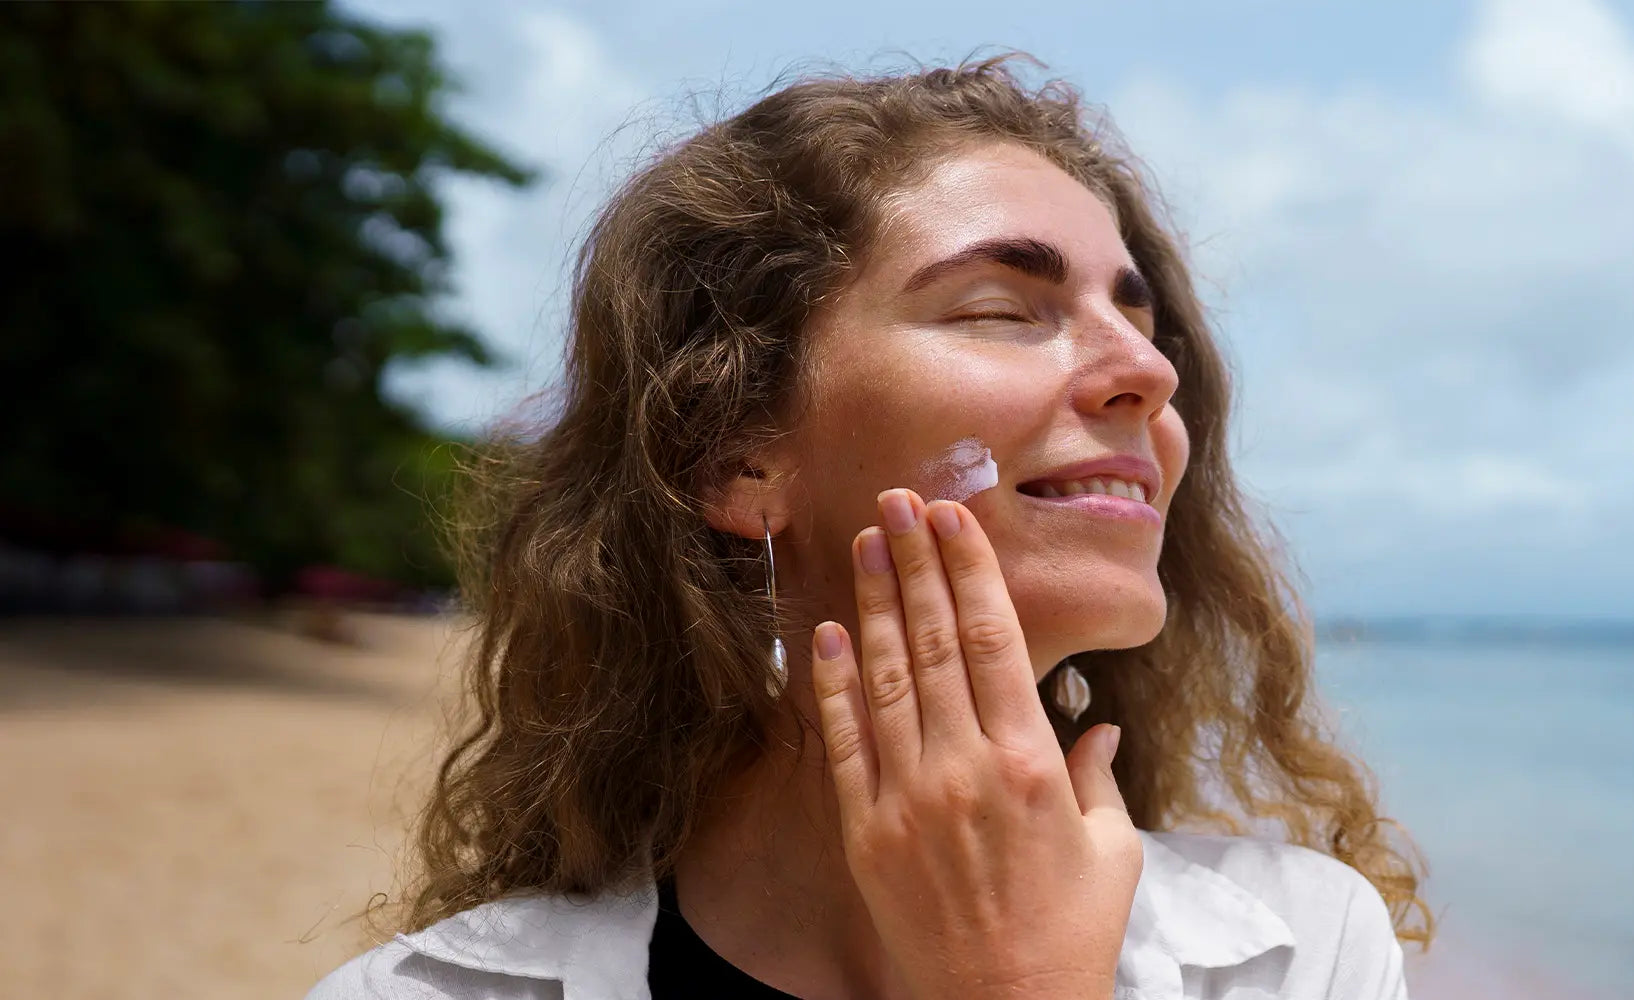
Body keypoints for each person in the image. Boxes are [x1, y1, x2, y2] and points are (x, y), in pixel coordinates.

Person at [308, 54, 1434, 1000]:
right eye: (1003, 311)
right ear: (736, 452)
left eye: (1147, 330)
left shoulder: (1303, 954)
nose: (1146, 370)